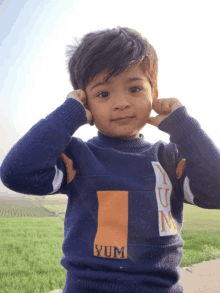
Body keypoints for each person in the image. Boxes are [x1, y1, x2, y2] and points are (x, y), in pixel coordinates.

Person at [1, 26, 220, 293]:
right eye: (103, 94)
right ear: (86, 103)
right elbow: (16, 172)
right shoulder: (77, 157)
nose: (121, 103)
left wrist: (185, 128)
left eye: (135, 88)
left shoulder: (169, 158)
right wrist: (68, 113)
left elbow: (216, 192)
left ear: (154, 93)